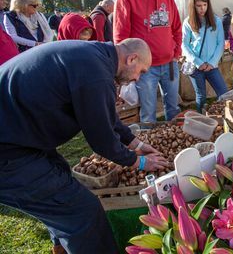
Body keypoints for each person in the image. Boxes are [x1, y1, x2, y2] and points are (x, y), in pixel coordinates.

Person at [0, 38, 168, 254]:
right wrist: (139, 161)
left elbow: (105, 115)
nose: (137, 78)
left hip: (18, 137)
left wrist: (136, 142)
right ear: (131, 58)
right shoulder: (96, 74)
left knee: (59, 172)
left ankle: (61, 247)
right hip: (8, 150)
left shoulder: (95, 58)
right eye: (141, 71)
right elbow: (102, 139)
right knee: (81, 212)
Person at [114, 0, 182, 122]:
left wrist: (176, 52)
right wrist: (126, 67)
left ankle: (175, 144)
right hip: (144, 69)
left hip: (169, 64)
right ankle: (148, 148)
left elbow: (177, 28)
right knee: (148, 113)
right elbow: (121, 37)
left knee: (173, 108)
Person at [182, 0, 228, 112]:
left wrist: (212, 63)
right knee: (201, 97)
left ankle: (225, 117)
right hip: (196, 67)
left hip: (212, 66)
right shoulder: (188, 22)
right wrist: (198, 62)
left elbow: (220, 43)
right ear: (193, 6)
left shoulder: (216, 20)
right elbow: (184, 45)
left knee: (223, 93)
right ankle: (201, 121)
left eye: (205, 4)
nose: (202, 8)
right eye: (198, 5)